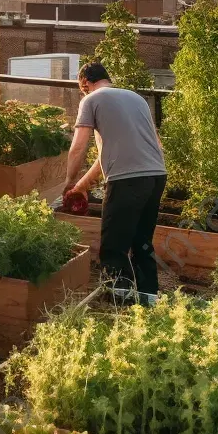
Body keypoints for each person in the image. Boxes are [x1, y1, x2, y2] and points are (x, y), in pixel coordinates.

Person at [63, 61, 167, 295]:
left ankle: (120, 306)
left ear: (84, 84)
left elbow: (78, 147)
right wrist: (81, 185)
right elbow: (106, 157)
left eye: (83, 89)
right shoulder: (136, 99)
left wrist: (69, 181)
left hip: (126, 181)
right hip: (156, 175)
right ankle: (148, 302)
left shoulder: (90, 100)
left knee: (113, 248)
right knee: (142, 244)